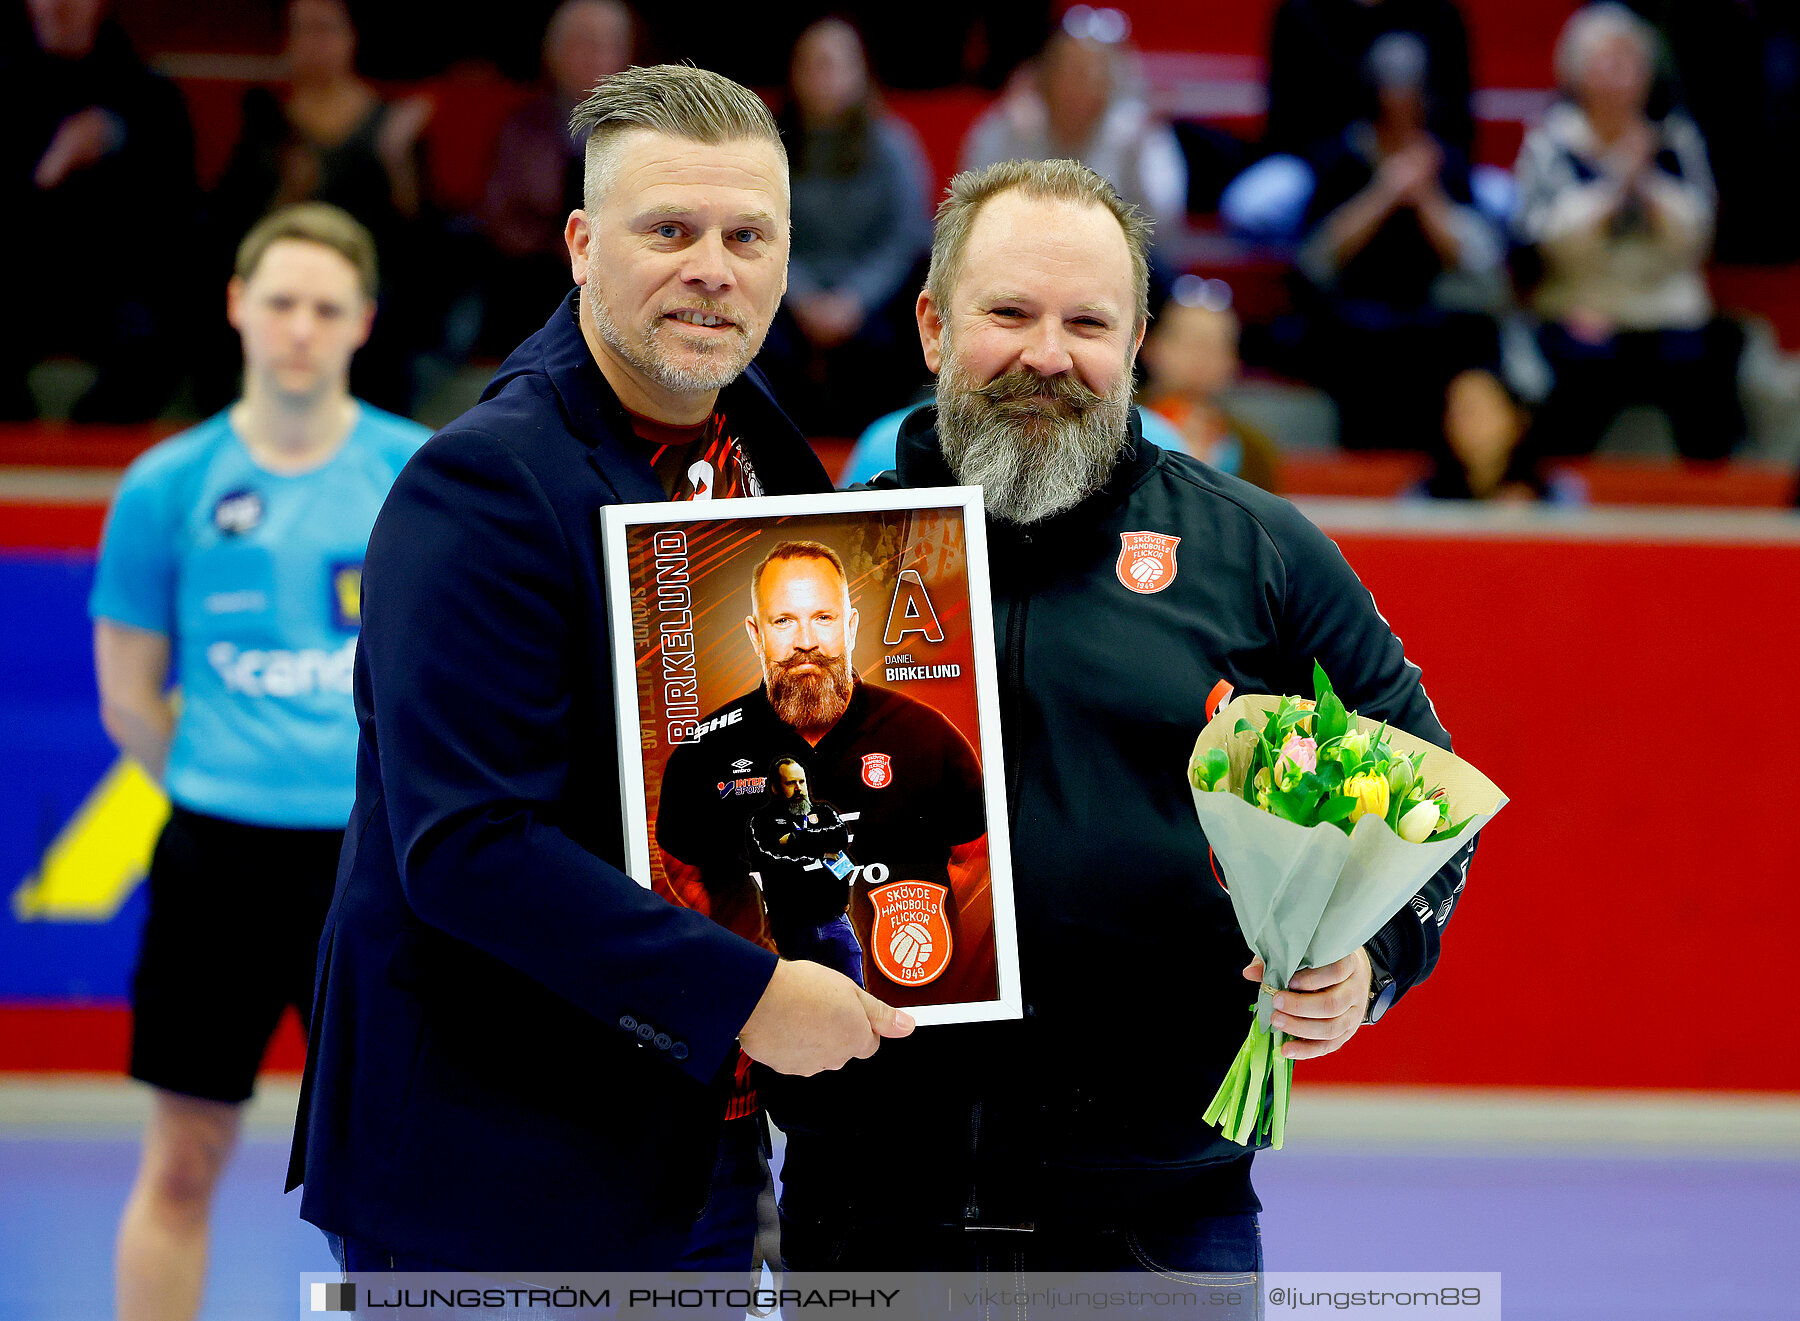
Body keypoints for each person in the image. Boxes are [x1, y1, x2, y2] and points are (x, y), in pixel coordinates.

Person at [775, 159, 1475, 1279]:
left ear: (1138, 336)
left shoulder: (1258, 551)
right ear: (931, 326)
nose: (1048, 356)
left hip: (1162, 1216)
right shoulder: (807, 569)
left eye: (1087, 322)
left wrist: (1372, 960)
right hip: (867, 1200)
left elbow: (1432, 788)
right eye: (1007, 312)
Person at [288, 64, 912, 1275]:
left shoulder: (767, 452)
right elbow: (468, 850)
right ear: (581, 244)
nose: (711, 268)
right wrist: (747, 995)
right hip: (492, 1166)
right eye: (667, 230)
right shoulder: (480, 486)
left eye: (748, 235)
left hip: (700, 1144)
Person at [89, 203, 429, 1321]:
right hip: (215, 865)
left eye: (325, 307)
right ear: (237, 307)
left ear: (363, 324)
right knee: (183, 1157)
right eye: (278, 301)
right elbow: (132, 697)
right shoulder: (164, 485)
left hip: (374, 870)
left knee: (388, 1191)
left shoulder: (417, 475)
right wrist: (229, 774)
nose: (298, 327)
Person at [656, 540, 993, 1012]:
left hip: (892, 977)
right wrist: (743, 933)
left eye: (823, 617)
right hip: (775, 960)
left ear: (851, 625)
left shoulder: (927, 733)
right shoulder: (702, 754)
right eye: (783, 621)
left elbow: (976, 856)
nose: (806, 641)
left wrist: (888, 887)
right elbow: (684, 871)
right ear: (756, 634)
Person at [1512, 3, 1743, 459]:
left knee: (1711, 360)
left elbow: (1697, 235)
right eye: (1605, 61)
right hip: (1580, 305)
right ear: (1576, 73)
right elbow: (1545, 241)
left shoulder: (1676, 141)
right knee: (1579, 367)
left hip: (1667, 308)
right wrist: (1617, 188)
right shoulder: (1551, 145)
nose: (1619, 75)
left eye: (1629, 61)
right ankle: (1564, 497)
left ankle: (1708, 499)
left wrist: (1648, 188)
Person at [208, 0, 437, 413]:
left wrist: (395, 160)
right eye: (303, 30)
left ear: (352, 37)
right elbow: (233, 228)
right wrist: (289, 191)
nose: (314, 43)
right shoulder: (266, 124)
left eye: (326, 29)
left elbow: (419, 233)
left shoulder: (391, 125)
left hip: (377, 290)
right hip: (284, 278)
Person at [1295, 31, 1501, 451]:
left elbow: (1478, 263)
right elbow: (1316, 259)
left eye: (1411, 88)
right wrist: (1385, 192)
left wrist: (1426, 196)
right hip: (1353, 309)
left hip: (1431, 309)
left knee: (1463, 336)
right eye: (1390, 87)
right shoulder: (1339, 158)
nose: (1401, 100)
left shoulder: (1447, 163)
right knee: (1354, 343)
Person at [3, 0, 197, 421]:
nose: (59, 5)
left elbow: (177, 216)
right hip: (17, 279)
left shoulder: (148, 94)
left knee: (159, 336)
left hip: (116, 285)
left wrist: (116, 143)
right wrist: (46, 172)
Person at [756, 17, 934, 437]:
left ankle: (886, 448)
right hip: (786, 294)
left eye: (836, 65)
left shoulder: (893, 144)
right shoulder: (766, 145)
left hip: (873, 298)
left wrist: (854, 299)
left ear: (861, 72)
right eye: (813, 64)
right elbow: (760, 229)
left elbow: (905, 237)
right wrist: (801, 298)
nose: (825, 77)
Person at [477, 0, 636, 355]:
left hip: (624, 267)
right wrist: (566, 249)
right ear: (554, 53)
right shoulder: (522, 125)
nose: (595, 55)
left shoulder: (644, 128)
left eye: (608, 43)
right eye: (583, 42)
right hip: (538, 272)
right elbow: (501, 219)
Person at [961, 23, 1186, 233]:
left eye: (1092, 74)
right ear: (1046, 78)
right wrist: (1018, 140)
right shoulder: (1009, 124)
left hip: (1115, 254)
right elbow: (972, 207)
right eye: (1070, 72)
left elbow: (1163, 219)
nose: (1079, 86)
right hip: (1024, 249)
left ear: (1111, 85)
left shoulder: (1136, 132)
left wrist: (1137, 152)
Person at [1139, 291, 1282, 492]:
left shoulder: (1255, 449)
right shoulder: (1119, 428)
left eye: (1216, 346)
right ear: (1149, 347)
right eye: (1189, 342)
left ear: (1234, 361)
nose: (1201, 357)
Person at [745, 757, 861, 983]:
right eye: (790, 783)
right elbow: (769, 861)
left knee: (856, 991)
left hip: (835, 920)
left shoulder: (824, 812)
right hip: (793, 926)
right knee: (809, 997)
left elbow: (839, 838)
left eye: (802, 782)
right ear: (775, 788)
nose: (799, 789)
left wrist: (796, 839)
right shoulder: (761, 821)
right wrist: (820, 854)